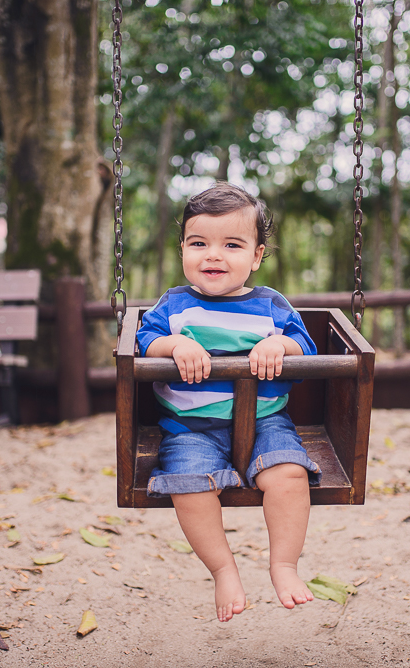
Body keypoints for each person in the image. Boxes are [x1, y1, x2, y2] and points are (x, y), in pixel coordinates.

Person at [136, 182, 321, 622]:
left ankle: (284, 565)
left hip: (265, 421)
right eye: (199, 243)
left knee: (289, 474)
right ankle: (223, 570)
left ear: (256, 256)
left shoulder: (272, 306)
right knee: (189, 486)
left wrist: (281, 348)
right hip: (189, 428)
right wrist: (174, 346)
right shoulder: (174, 305)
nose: (213, 255)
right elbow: (144, 340)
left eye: (232, 245)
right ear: (183, 250)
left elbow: (306, 347)